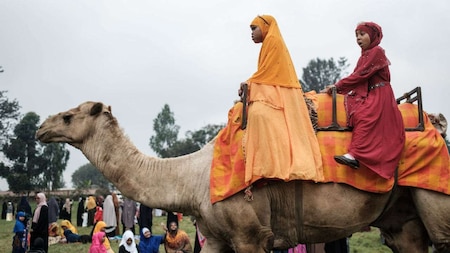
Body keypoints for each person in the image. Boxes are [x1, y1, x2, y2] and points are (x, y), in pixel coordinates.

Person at [214, 15, 323, 188]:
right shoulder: (268, 43)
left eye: (253, 28)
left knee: (259, 114)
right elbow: (266, 73)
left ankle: (269, 167)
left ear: (265, 27)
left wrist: (249, 82)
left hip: (281, 88)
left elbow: (267, 72)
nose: (251, 33)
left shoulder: (272, 40)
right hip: (274, 86)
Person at [321, 22, 405, 179]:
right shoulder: (364, 56)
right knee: (353, 108)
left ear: (373, 36)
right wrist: (338, 89)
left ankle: (355, 155)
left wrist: (337, 86)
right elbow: (357, 77)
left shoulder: (377, 51)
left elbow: (360, 75)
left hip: (380, 94)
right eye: (356, 35)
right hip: (370, 93)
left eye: (362, 34)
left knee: (364, 115)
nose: (358, 38)